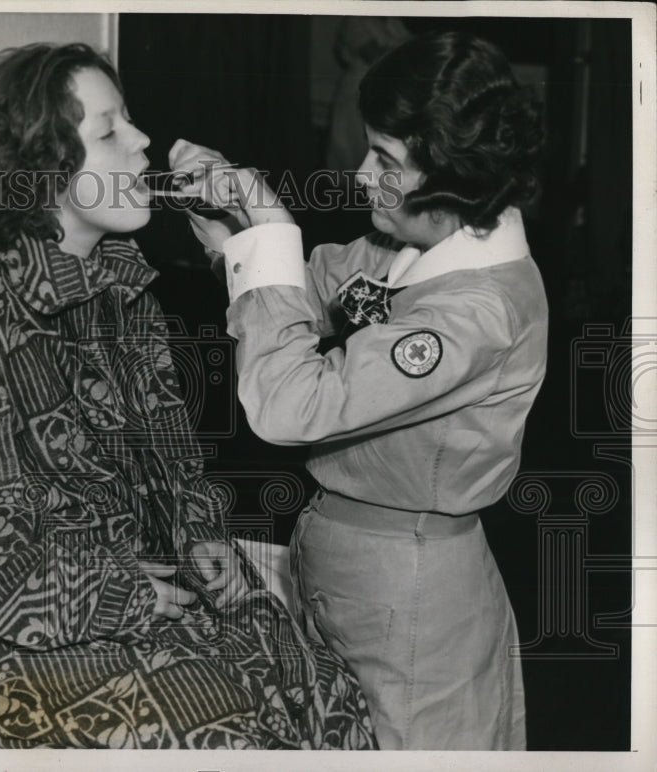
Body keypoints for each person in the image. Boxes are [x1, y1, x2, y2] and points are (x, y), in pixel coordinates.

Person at [0, 42, 375, 749]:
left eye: (129, 120)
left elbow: (173, 467)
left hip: (138, 589)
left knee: (327, 695)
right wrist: (129, 595)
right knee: (225, 733)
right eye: (110, 130)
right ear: (39, 171)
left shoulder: (119, 291)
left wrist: (204, 549)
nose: (143, 141)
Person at [171, 31, 546, 750]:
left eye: (386, 160)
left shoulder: (476, 314)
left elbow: (290, 407)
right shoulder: (412, 249)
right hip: (352, 567)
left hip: (410, 597)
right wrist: (237, 235)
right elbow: (306, 289)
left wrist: (272, 230)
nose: (361, 172)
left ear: (455, 175)